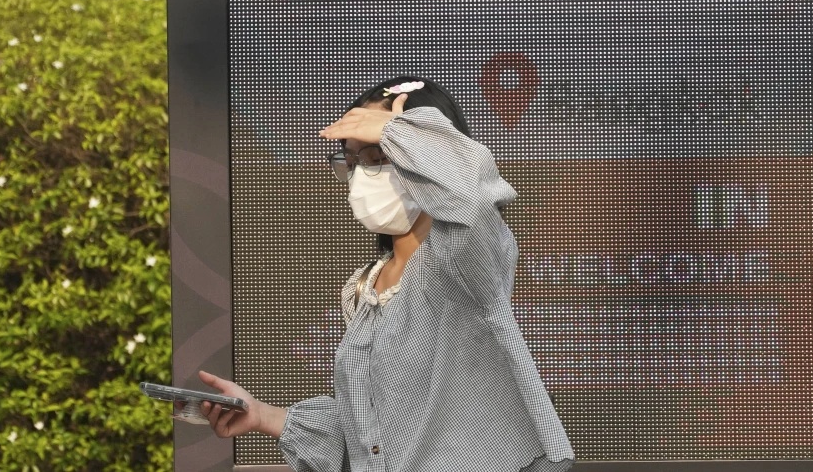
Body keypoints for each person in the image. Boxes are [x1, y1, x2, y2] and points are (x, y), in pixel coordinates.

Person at [188, 74, 575, 472]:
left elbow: (474, 199)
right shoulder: (361, 289)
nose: (361, 175)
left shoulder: (465, 258)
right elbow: (374, 436)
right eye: (352, 160)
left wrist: (399, 131)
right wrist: (263, 415)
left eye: (378, 155)